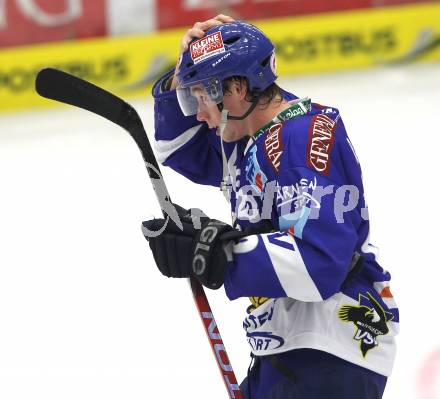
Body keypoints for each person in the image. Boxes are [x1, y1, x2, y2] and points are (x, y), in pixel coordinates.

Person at [142, 15, 399, 399]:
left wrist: (218, 253)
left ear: (237, 89)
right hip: (290, 349)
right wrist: (180, 72)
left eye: (200, 97)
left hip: (332, 347)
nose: (197, 114)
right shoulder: (245, 136)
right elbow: (177, 149)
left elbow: (318, 262)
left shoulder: (302, 137)